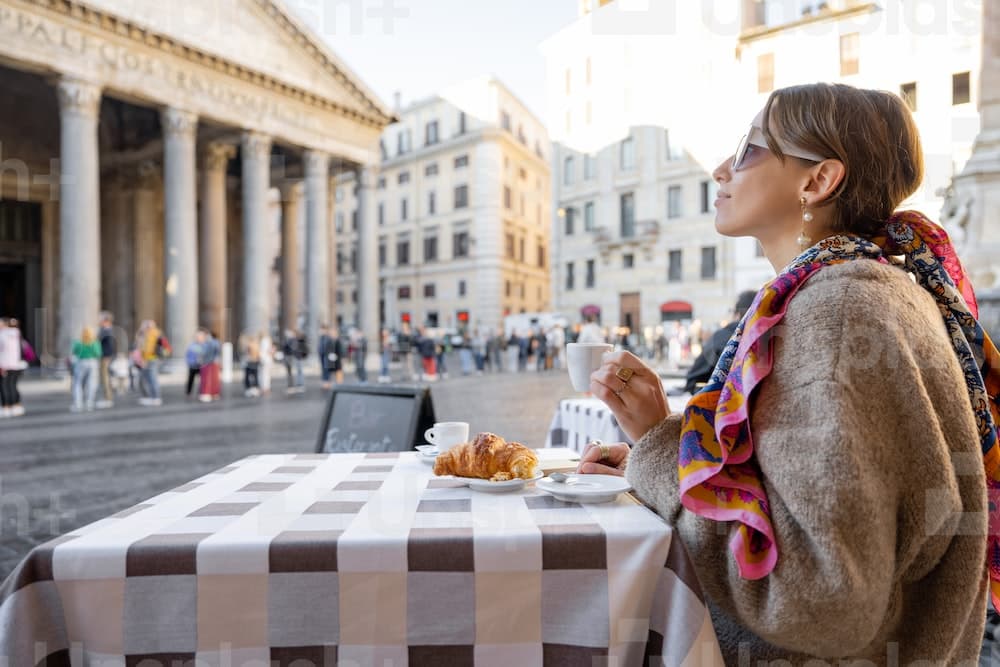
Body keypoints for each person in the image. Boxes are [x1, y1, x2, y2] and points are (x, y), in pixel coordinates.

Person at [577, 83, 994, 664]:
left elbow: (817, 599)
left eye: (748, 150)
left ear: (817, 181)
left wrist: (661, 448)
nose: (722, 169)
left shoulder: (840, 311)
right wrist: (663, 455)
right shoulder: (852, 292)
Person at [669, 290, 757, 396]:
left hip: (722, 400)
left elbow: (694, 375)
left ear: (737, 314)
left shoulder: (723, 336)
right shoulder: (767, 337)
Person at [133, 320, 167, 406]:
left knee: (152, 379)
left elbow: (147, 349)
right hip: (152, 359)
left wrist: (144, 359)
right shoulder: (154, 334)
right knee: (149, 379)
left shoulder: (151, 335)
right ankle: (152, 397)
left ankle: (155, 397)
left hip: (150, 359)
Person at [70, 326, 102, 412]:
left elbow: (74, 352)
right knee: (92, 383)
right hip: (92, 362)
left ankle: (78, 403)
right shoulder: (95, 343)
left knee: (78, 383)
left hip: (81, 362)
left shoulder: (78, 342)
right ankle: (89, 402)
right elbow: (98, 353)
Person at [0, 317, 25, 418]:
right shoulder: (16, 334)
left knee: (4, 386)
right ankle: (16, 405)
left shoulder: (2, 335)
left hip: (4, 365)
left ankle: (6, 407)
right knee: (13, 385)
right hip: (15, 364)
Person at [97, 311, 116, 408]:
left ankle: (108, 399)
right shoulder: (106, 330)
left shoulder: (106, 330)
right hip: (105, 356)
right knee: (105, 378)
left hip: (105, 356)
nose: (98, 321)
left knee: (105, 378)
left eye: (100, 319)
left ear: (105, 321)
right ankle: (107, 397)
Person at [198, 329, 222, 402]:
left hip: (208, 363)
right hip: (213, 362)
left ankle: (206, 393)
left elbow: (205, 353)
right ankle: (214, 393)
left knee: (207, 379)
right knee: (214, 379)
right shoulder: (216, 342)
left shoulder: (209, 343)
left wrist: (202, 359)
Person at [184, 330, 204, 399]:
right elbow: (188, 355)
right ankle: (188, 392)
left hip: (201, 365)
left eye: (200, 337)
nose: (199, 338)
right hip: (193, 365)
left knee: (202, 380)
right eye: (197, 337)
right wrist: (189, 362)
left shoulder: (204, 345)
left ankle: (201, 392)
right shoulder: (192, 345)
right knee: (190, 380)